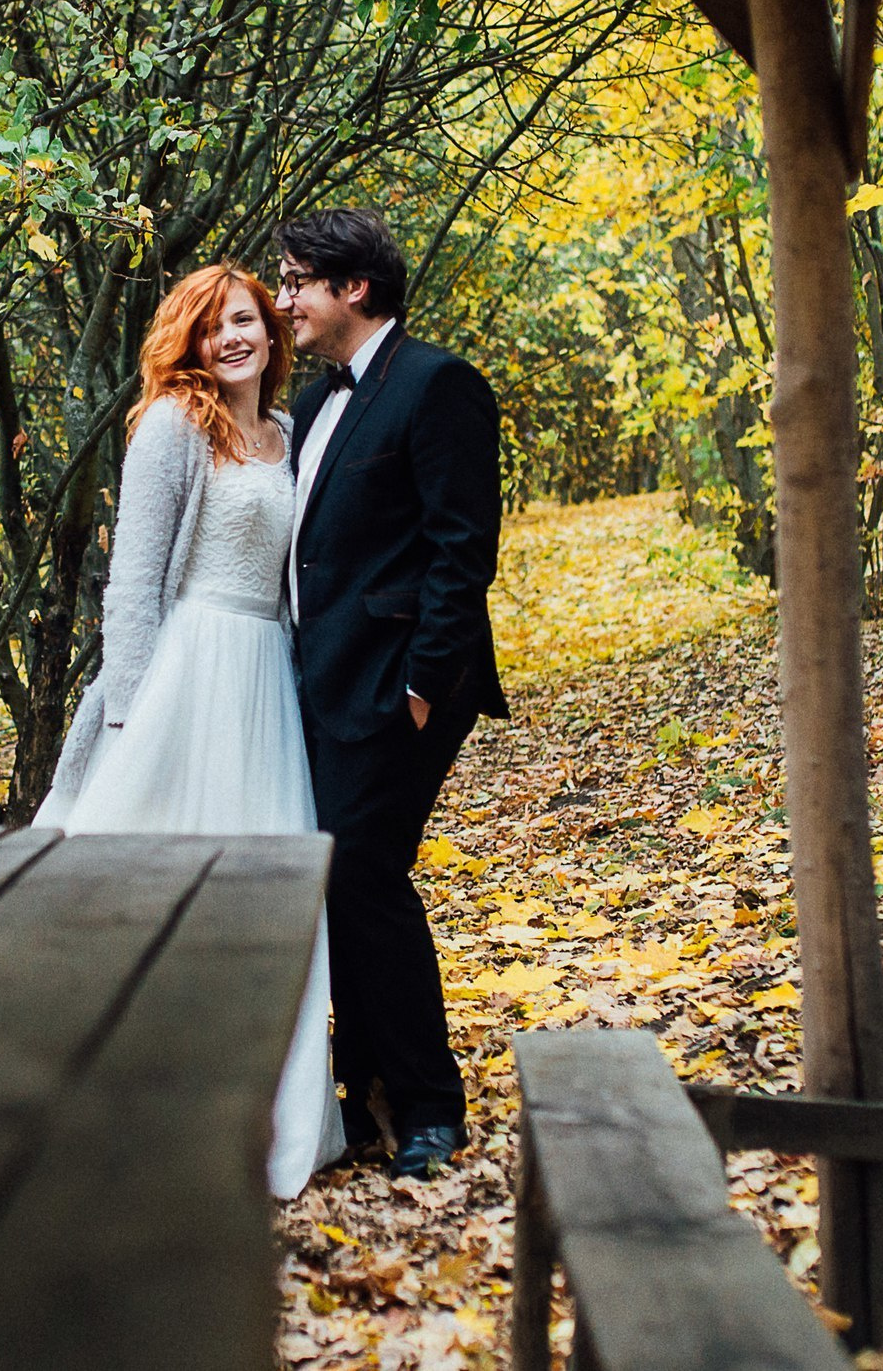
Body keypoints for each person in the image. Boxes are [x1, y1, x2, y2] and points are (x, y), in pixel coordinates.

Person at [37, 263, 347, 1198]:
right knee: (152, 883)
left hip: (266, 683)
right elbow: (131, 584)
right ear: (191, 341)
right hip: (187, 676)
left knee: (268, 891)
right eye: (214, 327)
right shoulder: (173, 425)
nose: (234, 339)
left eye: (247, 319)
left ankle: (259, 1116)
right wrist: (129, 714)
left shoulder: (287, 432)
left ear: (271, 331)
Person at [275, 208, 506, 1182]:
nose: (283, 300)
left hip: (400, 682)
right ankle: (365, 1092)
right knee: (343, 878)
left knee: (364, 874)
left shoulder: (436, 382)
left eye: (296, 281)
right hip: (323, 679)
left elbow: (464, 546)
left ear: (352, 288)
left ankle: (427, 1107)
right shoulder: (321, 399)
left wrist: (421, 683)